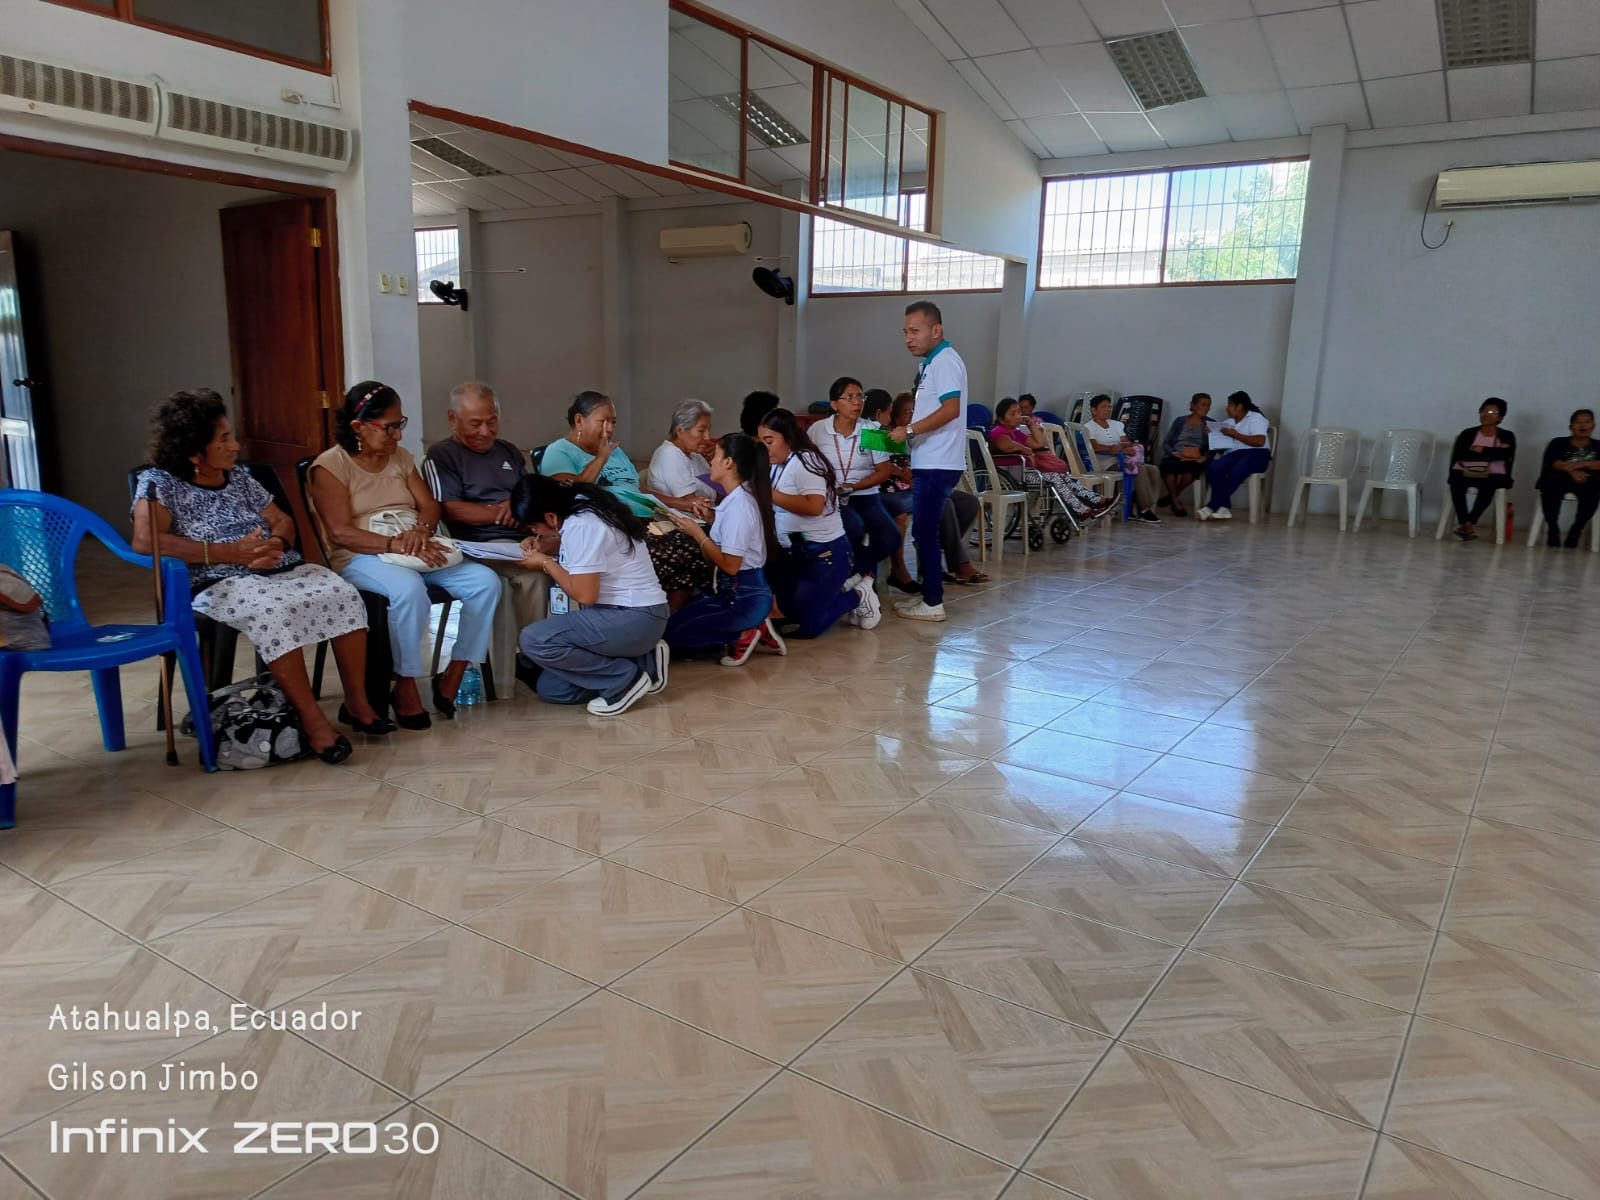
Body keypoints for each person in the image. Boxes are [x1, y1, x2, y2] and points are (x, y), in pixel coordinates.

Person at [133, 390, 395, 763]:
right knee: (274, 612)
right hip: (215, 580)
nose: (235, 445)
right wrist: (228, 552)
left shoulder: (237, 477)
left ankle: (356, 702)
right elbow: (147, 541)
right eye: (224, 438)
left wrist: (275, 543)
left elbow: (282, 520)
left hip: (274, 566)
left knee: (341, 592)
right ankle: (312, 720)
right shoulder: (160, 483)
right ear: (193, 452)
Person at [310, 381, 500, 728]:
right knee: (408, 589)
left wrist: (420, 531)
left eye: (400, 424)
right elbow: (339, 532)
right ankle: (406, 683)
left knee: (485, 582)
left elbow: (429, 506)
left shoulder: (400, 457)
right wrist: (393, 544)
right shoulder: (331, 466)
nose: (398, 435)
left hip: (415, 547)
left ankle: (454, 673)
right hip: (361, 555)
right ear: (359, 427)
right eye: (390, 427)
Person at [510, 475, 668, 717]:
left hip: (633, 616)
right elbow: (587, 551)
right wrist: (546, 546)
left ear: (550, 517)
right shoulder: (583, 506)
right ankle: (644, 662)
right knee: (552, 689)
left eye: (533, 527)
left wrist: (545, 563)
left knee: (534, 640)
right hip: (630, 617)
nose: (535, 533)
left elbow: (585, 595)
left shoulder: (582, 525)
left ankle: (624, 681)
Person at [538, 390, 706, 607]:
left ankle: (670, 621)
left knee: (691, 545)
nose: (609, 429)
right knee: (676, 552)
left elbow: (639, 491)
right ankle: (652, 616)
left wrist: (681, 504)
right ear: (579, 420)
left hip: (645, 522)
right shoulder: (559, 452)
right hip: (610, 527)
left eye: (613, 422)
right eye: (603, 421)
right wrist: (601, 458)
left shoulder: (616, 452)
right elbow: (570, 492)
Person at [422, 381, 550, 631]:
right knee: (533, 575)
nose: (485, 431)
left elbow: (530, 497)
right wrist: (500, 512)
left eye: (491, 422)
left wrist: (517, 506)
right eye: (475, 424)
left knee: (564, 563)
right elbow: (449, 509)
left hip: (521, 540)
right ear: (452, 419)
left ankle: (535, 647)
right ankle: (524, 650)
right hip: (477, 544)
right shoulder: (442, 454)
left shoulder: (508, 451)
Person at [664, 432, 784, 665]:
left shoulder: (740, 506)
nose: (711, 461)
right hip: (730, 592)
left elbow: (731, 566)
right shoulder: (736, 498)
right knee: (670, 627)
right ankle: (753, 626)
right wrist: (711, 518)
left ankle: (744, 634)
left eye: (716, 455)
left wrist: (698, 534)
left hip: (744, 597)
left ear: (728, 462)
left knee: (675, 639)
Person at [758, 408, 880, 635]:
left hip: (824, 553)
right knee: (789, 614)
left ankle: (860, 593)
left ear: (787, 437)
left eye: (770, 441)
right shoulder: (777, 464)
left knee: (808, 627)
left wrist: (768, 494)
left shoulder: (806, 461)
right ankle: (841, 587)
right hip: (795, 551)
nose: (766, 448)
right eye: (762, 442)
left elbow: (814, 506)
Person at [885, 300, 968, 622]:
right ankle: (928, 595)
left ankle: (933, 602)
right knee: (924, 531)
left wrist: (908, 430)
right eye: (905, 332)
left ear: (936, 330)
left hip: (938, 461)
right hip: (929, 458)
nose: (909, 338)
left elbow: (951, 409)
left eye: (915, 331)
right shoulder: (931, 364)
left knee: (924, 531)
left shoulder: (946, 361)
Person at [880, 391, 989, 589]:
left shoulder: (924, 434)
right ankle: (959, 564)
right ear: (896, 417)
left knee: (968, 502)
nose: (913, 416)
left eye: (916, 412)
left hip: (922, 484)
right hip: (901, 489)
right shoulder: (891, 436)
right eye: (908, 412)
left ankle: (931, 549)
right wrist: (906, 475)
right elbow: (885, 467)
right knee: (943, 503)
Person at [816, 376, 901, 580]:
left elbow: (883, 472)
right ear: (834, 404)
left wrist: (854, 486)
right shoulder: (818, 430)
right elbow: (810, 466)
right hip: (832, 496)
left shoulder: (871, 430)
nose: (857, 402)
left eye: (860, 397)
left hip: (866, 494)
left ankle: (855, 573)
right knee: (853, 528)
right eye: (849, 397)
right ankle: (858, 579)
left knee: (890, 537)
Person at [989, 397, 1115, 522]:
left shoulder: (1016, 432)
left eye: (1019, 412)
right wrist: (1026, 450)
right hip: (1012, 474)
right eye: (1013, 414)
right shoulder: (998, 431)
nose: (1018, 416)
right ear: (1001, 419)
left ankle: (1097, 500)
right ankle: (1081, 510)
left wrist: (1031, 425)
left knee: (1064, 476)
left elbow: (1039, 443)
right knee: (1054, 478)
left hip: (1025, 473)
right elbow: (1006, 446)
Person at [1446, 397, 1517, 542]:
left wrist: (1481, 449)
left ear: (1500, 417)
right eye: (1483, 410)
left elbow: (1505, 455)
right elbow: (1461, 455)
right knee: (1456, 483)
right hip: (1466, 471)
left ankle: (1468, 523)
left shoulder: (1507, 435)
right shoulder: (1467, 433)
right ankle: (1467, 523)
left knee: (1489, 485)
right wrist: (1493, 453)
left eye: (1492, 412)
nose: (1486, 414)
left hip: (1493, 475)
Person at [1083, 394, 1161, 523]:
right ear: (1093, 410)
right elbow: (1095, 447)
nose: (1108, 409)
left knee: (1153, 470)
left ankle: (1137, 504)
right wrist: (1113, 448)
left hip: (1122, 458)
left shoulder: (1117, 424)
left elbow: (1126, 442)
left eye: (1109, 407)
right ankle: (1144, 509)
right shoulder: (1089, 427)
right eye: (1104, 407)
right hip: (1105, 463)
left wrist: (1120, 448)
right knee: (1140, 469)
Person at [1198, 390, 1272, 522]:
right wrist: (1213, 434)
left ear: (1240, 406)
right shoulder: (1228, 422)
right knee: (1214, 467)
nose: (1227, 408)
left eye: (1230, 405)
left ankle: (1212, 506)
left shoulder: (1256, 418)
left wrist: (1235, 435)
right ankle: (1224, 507)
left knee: (1239, 468)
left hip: (1258, 454)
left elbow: (1260, 441)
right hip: (1235, 454)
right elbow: (1222, 445)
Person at [1536, 407, 1598, 549]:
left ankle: (1576, 530)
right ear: (1571, 427)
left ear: (1593, 426)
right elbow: (1554, 462)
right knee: (1550, 485)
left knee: (1593, 490)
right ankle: (1553, 529)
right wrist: (1572, 472)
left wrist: (1581, 465)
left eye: (1587, 422)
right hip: (1560, 478)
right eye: (1578, 422)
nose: (1583, 426)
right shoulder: (1558, 442)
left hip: (1588, 480)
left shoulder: (1598, 446)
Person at [647, 400, 719, 516]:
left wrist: (718, 460)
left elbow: (717, 493)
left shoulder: (696, 456)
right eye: (701, 431)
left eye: (708, 430)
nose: (707, 437)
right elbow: (694, 505)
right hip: (686, 522)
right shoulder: (670, 454)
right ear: (680, 431)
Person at [1158, 393, 1214, 517]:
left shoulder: (1211, 423)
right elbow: (1167, 442)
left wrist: (1206, 455)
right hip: (1177, 454)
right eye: (1203, 405)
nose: (1206, 408)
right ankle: (1175, 499)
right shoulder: (1180, 421)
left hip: (1196, 457)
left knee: (1191, 471)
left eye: (1208, 405)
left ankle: (1172, 496)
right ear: (1193, 405)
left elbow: (1215, 447)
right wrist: (1172, 452)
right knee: (1167, 467)